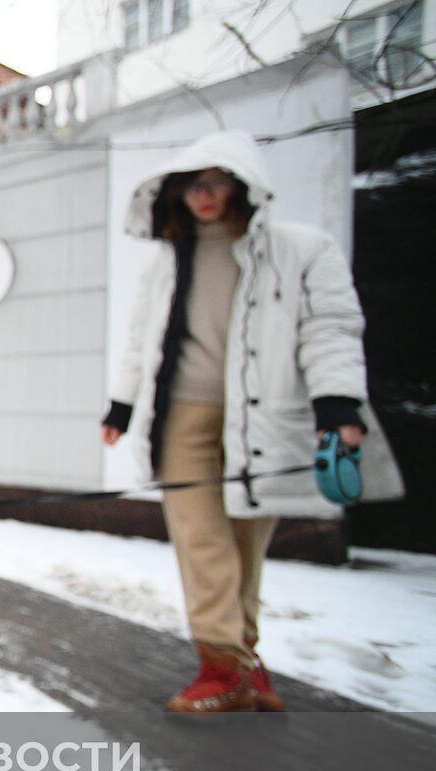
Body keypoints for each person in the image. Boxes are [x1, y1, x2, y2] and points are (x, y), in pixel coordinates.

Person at [101, 130, 403, 714]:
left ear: (242, 185)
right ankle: (222, 665)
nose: (203, 197)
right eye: (191, 187)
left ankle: (242, 666)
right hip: (180, 416)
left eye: (214, 183)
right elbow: (142, 341)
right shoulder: (165, 264)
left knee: (243, 543)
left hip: (264, 415)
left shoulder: (301, 249)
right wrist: (121, 404)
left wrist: (337, 404)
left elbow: (331, 328)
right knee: (201, 537)